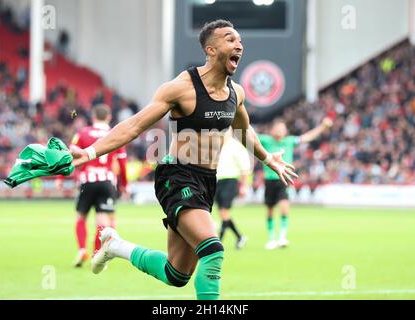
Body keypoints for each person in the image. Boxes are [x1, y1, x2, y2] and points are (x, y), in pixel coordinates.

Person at [70, 20, 297, 300]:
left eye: (240, 40)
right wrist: (91, 151)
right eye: (230, 39)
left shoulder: (236, 93)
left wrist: (266, 158)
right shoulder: (181, 88)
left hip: (206, 182)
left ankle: (115, 246)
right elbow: (135, 125)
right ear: (211, 50)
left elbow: (242, 129)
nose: (239, 44)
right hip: (177, 176)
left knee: (176, 274)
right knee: (213, 250)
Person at [258, 118, 333, 250]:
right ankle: (271, 239)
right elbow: (246, 135)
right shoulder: (265, 140)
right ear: (272, 130)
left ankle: (282, 237)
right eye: (278, 128)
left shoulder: (289, 141)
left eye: (282, 128)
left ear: (285, 131)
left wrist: (323, 127)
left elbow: (308, 136)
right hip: (269, 179)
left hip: (284, 178)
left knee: (284, 206)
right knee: (270, 209)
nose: (280, 130)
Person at [70, 104, 128, 267]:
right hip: (107, 180)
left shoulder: (82, 133)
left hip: (87, 180)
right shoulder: (115, 134)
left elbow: (70, 155)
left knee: (81, 217)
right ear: (109, 117)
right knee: (103, 219)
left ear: (93, 116)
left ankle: (82, 249)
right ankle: (97, 254)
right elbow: (122, 162)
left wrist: (62, 177)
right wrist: (124, 184)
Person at [215, 130, 251, 249]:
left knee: (224, 212)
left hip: (231, 180)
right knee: (223, 214)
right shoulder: (216, 146)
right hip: (218, 181)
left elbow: (245, 168)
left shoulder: (236, 147)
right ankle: (240, 237)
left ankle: (219, 241)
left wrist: (243, 186)